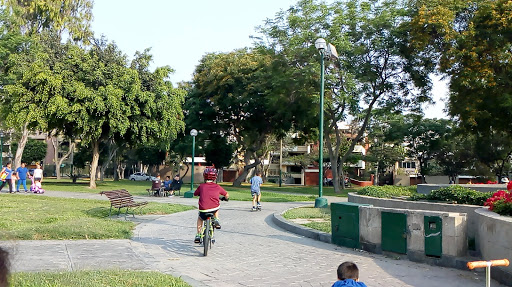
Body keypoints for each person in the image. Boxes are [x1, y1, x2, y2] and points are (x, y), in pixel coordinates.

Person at [193, 166, 229, 243]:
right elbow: (226, 194)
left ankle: (198, 235)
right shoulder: (217, 186)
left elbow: (195, 194)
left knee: (200, 218)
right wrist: (225, 198)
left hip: (203, 209)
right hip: (213, 209)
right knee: (216, 206)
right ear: (215, 177)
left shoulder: (201, 186)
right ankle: (216, 219)